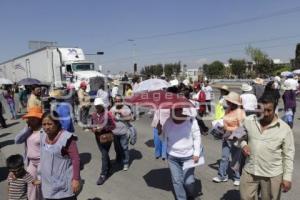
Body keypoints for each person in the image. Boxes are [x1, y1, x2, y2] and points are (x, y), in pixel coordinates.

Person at [239, 94, 295, 200]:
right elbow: (239, 137)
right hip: (250, 171)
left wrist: (287, 178)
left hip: (272, 175)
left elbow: (288, 155)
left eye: (269, 110)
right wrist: (244, 145)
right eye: (262, 110)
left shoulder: (284, 129)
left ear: (275, 110)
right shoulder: (248, 121)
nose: (265, 114)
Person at [157, 107, 201, 200]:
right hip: (172, 157)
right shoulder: (168, 122)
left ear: (182, 109)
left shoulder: (191, 120)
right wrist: (160, 131)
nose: (176, 112)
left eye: (178, 109)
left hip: (189, 156)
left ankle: (190, 195)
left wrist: (196, 153)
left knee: (189, 182)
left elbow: (197, 137)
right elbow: (163, 139)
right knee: (177, 181)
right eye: (173, 110)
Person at [40, 111, 80, 200]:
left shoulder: (67, 138)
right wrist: (39, 175)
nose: (46, 127)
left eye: (50, 124)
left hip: (64, 184)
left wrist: (76, 179)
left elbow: (75, 159)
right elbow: (42, 158)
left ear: (57, 124)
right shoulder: (42, 135)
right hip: (48, 184)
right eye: (44, 124)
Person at [212, 92, 245, 186]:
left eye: (228, 101)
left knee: (235, 159)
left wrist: (228, 129)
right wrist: (221, 127)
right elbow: (225, 121)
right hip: (226, 136)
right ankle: (222, 175)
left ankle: (237, 177)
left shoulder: (240, 112)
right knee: (224, 157)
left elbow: (242, 128)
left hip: (236, 137)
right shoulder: (228, 110)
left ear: (233, 102)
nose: (227, 102)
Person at [15, 106, 44, 200]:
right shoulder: (29, 130)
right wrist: (26, 128)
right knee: (31, 184)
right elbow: (17, 140)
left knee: (41, 184)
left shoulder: (44, 131)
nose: (29, 120)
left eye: (32, 118)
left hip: (41, 163)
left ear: (39, 118)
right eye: (29, 118)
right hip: (30, 162)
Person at [91, 98, 116, 185]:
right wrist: (93, 129)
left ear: (102, 106)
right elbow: (92, 125)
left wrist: (103, 128)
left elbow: (113, 126)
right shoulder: (93, 114)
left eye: (99, 106)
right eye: (96, 106)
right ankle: (108, 166)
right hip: (97, 137)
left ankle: (103, 174)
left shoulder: (107, 114)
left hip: (106, 137)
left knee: (104, 154)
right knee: (104, 154)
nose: (97, 108)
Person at [110, 95, 132, 171]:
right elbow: (109, 119)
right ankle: (118, 159)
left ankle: (126, 162)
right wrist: (111, 118)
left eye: (119, 100)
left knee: (124, 148)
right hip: (114, 133)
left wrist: (121, 116)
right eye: (116, 101)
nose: (118, 102)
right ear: (114, 101)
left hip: (123, 132)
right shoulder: (112, 109)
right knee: (117, 147)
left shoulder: (126, 108)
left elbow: (130, 118)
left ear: (121, 101)